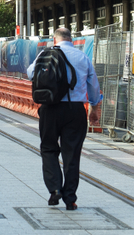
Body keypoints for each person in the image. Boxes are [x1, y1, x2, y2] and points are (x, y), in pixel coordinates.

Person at [27, 27, 102, 211]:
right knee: (72, 154)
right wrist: (94, 108)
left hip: (50, 108)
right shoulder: (82, 57)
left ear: (55, 40)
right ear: (71, 39)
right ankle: (70, 199)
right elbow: (93, 86)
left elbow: (30, 73)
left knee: (48, 149)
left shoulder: (46, 53)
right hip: (75, 110)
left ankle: (54, 189)